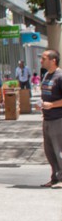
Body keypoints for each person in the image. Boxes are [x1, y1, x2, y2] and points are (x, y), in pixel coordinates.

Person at [39, 49, 62, 187]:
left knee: (59, 149)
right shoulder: (47, 75)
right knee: (49, 151)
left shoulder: (60, 76)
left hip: (58, 119)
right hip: (47, 118)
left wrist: (52, 105)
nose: (41, 60)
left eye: (44, 58)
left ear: (53, 60)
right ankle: (55, 177)